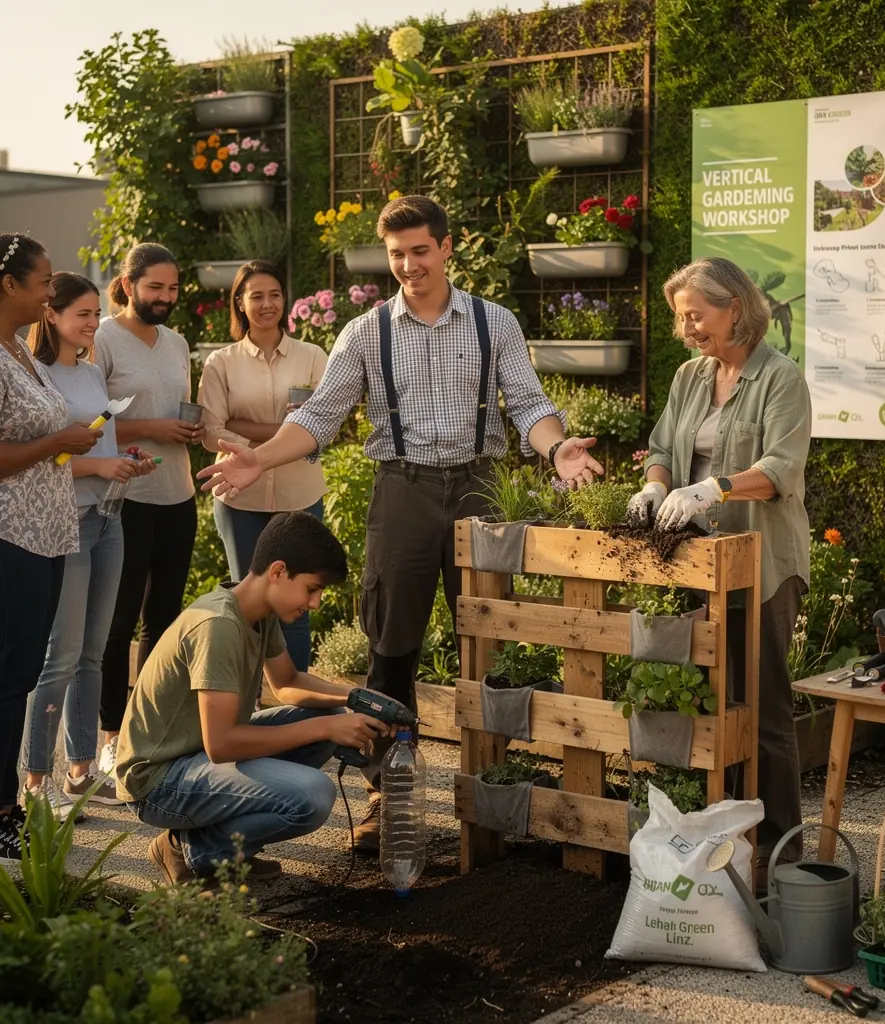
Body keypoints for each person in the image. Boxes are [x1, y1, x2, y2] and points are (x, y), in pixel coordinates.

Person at [198, 195, 604, 853]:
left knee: (490, 645)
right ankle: (385, 796)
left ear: (446, 248)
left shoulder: (493, 322)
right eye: (397, 255)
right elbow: (320, 416)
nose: (410, 265)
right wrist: (259, 458)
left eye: (420, 251)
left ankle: (496, 787)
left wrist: (557, 449)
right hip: (402, 490)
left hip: (478, 488)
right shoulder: (366, 333)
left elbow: (529, 403)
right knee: (390, 648)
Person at [628, 256, 811, 890]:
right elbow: (661, 448)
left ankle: (782, 856)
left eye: (696, 315)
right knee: (711, 705)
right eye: (680, 318)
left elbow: (782, 468)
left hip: (762, 565)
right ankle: (719, 845)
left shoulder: (780, 378)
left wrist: (714, 488)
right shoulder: (689, 376)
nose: (686, 328)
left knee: (763, 709)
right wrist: (656, 486)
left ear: (735, 307)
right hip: (698, 566)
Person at [115, 511, 390, 886]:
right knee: (313, 794)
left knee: (326, 712)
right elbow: (222, 745)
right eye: (312, 589)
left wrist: (358, 697)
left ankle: (224, 849)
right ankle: (195, 850)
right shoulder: (219, 626)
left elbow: (287, 682)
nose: (316, 603)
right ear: (278, 571)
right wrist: (327, 727)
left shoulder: (258, 611)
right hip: (156, 779)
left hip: (194, 755)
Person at [20, 272, 158, 818]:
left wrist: (126, 461)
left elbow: (98, 444)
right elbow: (42, 457)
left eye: (97, 312)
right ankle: (36, 780)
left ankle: (80, 772)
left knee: (93, 654)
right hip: (67, 523)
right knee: (60, 656)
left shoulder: (92, 370)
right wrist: (100, 466)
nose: (93, 322)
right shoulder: (36, 375)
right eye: (83, 313)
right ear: (50, 314)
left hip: (109, 518)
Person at [0, 234, 104, 862]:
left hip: (44, 532)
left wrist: (68, 440)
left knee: (17, 672)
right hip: (9, 533)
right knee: (11, 675)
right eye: (42, 282)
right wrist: (58, 441)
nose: (48, 294)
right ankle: (2, 811)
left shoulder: (19, 350)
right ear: (9, 284)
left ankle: (7, 805)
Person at [94, 243, 203, 777]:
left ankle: (149, 731)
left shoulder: (177, 342)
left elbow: (177, 409)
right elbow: (90, 423)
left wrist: (189, 430)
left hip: (177, 496)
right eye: (155, 287)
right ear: (128, 284)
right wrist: (154, 427)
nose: (165, 297)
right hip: (127, 499)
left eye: (172, 288)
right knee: (117, 624)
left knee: (164, 620)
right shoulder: (101, 338)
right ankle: (110, 734)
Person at [198, 261, 328, 670]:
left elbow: (325, 424)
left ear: (284, 299)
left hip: (300, 498)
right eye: (256, 296)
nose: (267, 303)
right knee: (248, 607)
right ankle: (245, 700)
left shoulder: (312, 357)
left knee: (297, 607)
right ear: (240, 302)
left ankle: (293, 699)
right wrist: (289, 434)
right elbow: (210, 431)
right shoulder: (221, 362)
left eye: (274, 294)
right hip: (240, 500)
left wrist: (246, 428)